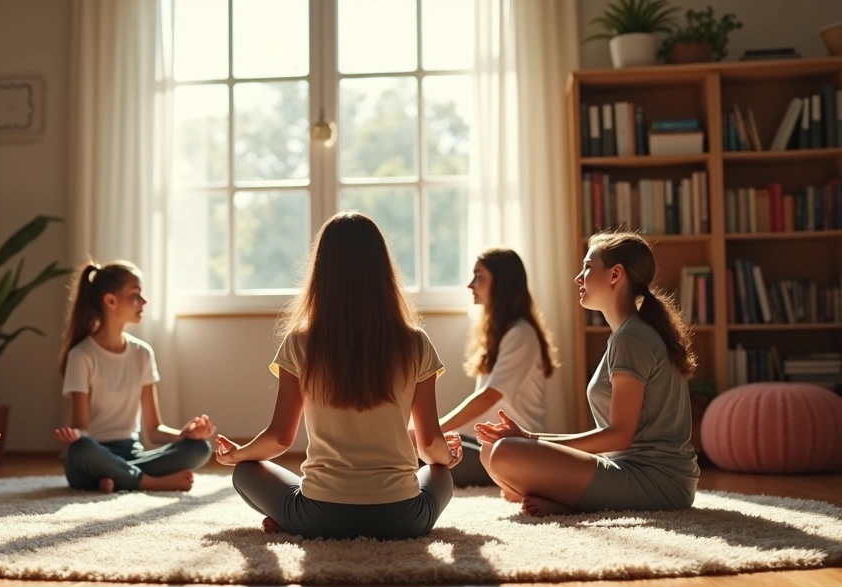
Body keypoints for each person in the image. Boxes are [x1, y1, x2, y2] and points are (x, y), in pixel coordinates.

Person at [214, 212, 462, 540]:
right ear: (383, 270)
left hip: (320, 517)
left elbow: (280, 438)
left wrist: (238, 454)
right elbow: (430, 445)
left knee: (245, 472)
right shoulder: (415, 342)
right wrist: (451, 456)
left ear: (321, 272)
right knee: (441, 473)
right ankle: (295, 521)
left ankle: (291, 523)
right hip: (403, 520)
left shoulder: (300, 342)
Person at [476, 231, 700, 517]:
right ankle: (565, 500)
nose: (578, 278)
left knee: (506, 453)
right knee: (491, 450)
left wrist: (531, 440)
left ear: (615, 274)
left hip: (657, 481)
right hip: (629, 470)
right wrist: (529, 438)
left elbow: (619, 436)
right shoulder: (626, 335)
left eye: (587, 267)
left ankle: (567, 503)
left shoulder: (631, 338)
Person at [56, 260, 213, 493]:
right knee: (81, 449)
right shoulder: (81, 355)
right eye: (136, 295)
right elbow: (82, 428)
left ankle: (116, 478)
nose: (144, 302)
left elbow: (154, 429)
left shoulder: (142, 354)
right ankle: (150, 482)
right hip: (95, 453)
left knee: (200, 449)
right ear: (111, 300)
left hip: (131, 452)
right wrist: (75, 435)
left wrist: (184, 435)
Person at [430, 248, 558, 487]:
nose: (471, 284)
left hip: (512, 450)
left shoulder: (521, 334)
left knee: (420, 454)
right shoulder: (501, 332)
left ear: (502, 285)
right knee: (421, 449)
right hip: (486, 443)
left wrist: (433, 431)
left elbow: (490, 396)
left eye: (479, 276)